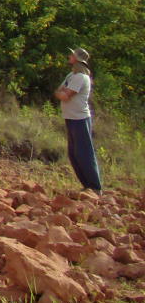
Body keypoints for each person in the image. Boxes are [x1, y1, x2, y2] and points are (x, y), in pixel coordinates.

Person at [54, 47, 102, 194]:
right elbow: (58, 92)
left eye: (72, 55)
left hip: (80, 118)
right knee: (74, 153)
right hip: (70, 117)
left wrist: (61, 93)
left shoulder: (81, 77)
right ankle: (87, 185)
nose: (69, 56)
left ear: (77, 59)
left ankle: (95, 187)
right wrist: (60, 93)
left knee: (84, 152)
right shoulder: (71, 75)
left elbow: (66, 93)